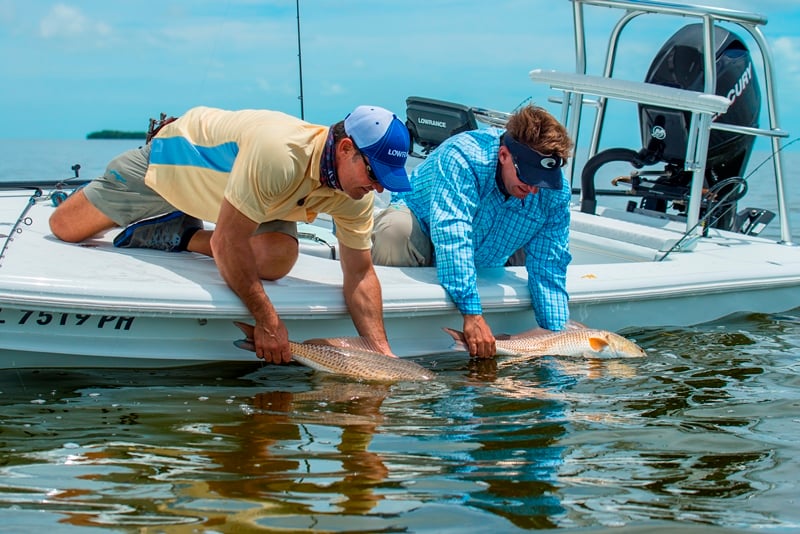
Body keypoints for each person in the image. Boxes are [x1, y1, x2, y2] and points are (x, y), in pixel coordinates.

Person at [49, 105, 411, 364]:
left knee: (278, 258)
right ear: (346, 149)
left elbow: (360, 272)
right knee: (65, 228)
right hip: (175, 163)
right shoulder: (280, 155)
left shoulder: (355, 195)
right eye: (375, 173)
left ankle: (178, 232)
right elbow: (227, 242)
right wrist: (268, 322)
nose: (379, 188)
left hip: (253, 200)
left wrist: (381, 352)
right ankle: (148, 204)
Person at [371, 104, 574, 358]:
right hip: (424, 235)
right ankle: (384, 343)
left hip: (485, 256)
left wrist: (557, 337)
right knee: (395, 230)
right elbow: (452, 235)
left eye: (542, 181)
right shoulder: (463, 157)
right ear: (503, 155)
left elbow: (550, 264)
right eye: (528, 177)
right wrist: (472, 315)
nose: (534, 189)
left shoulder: (554, 192)